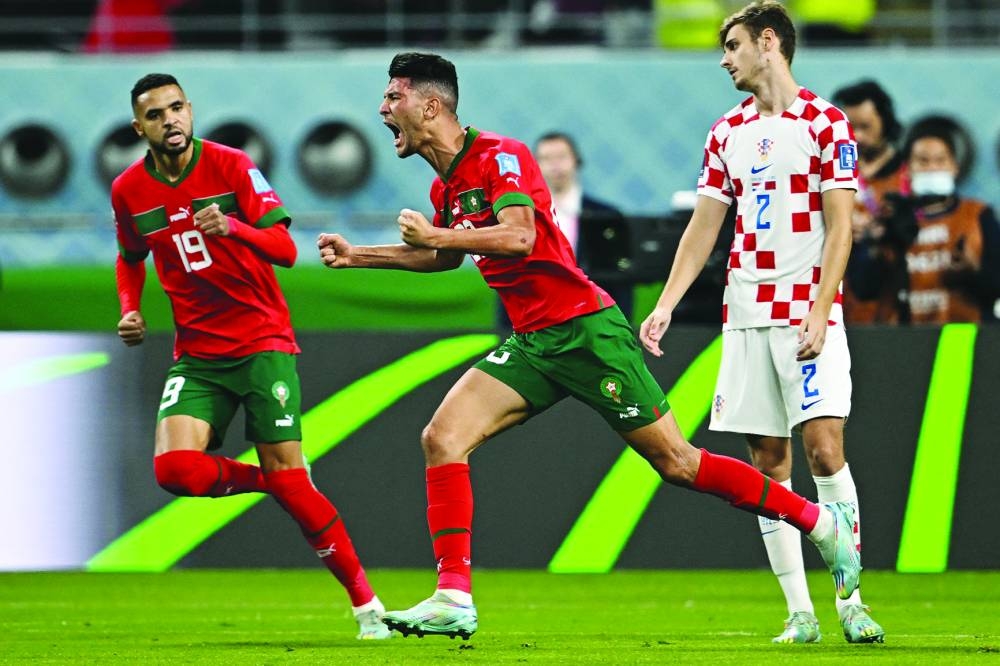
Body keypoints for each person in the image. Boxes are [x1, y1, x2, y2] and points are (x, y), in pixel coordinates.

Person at [317, 51, 861, 641]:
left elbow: (520, 236)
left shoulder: (502, 156)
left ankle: (818, 522)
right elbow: (445, 256)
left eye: (392, 97)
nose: (382, 108)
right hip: (534, 342)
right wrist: (360, 255)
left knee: (677, 463)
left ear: (429, 105)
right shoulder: (446, 184)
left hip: (586, 331)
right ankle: (454, 596)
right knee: (442, 438)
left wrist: (437, 231)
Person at [638, 1, 884, 644]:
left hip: (808, 312)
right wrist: (665, 303)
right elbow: (703, 228)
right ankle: (800, 614)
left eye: (732, 45)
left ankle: (852, 602)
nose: (724, 59)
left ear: (768, 42)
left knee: (824, 448)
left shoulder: (827, 123)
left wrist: (822, 307)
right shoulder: (726, 133)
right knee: (768, 465)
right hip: (745, 315)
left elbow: (841, 227)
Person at [112, 73, 390, 640]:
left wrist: (234, 226)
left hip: (262, 342)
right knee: (175, 471)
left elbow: (286, 250)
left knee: (293, 483)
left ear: (190, 110)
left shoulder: (232, 166)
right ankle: (275, 481)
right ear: (138, 127)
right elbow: (130, 255)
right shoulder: (128, 191)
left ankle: (368, 608)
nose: (170, 121)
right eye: (156, 114)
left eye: (177, 108)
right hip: (197, 352)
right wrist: (130, 309)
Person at [852, 115, 1000, 323]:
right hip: (900, 337)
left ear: (954, 166)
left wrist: (971, 271)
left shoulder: (977, 216)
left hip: (959, 334)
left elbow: (995, 288)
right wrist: (875, 247)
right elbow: (863, 289)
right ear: (908, 169)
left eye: (940, 160)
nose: (932, 167)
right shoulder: (888, 219)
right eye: (923, 161)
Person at [497, 131, 634, 329]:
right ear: (534, 166)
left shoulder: (607, 216)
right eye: (546, 159)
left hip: (595, 326)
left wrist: (620, 330)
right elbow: (508, 280)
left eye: (561, 157)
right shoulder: (521, 216)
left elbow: (622, 281)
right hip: (537, 329)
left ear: (576, 160)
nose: (555, 165)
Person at [831, 79, 908, 324]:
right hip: (838, 300)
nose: (858, 137)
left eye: (866, 127)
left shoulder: (909, 173)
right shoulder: (828, 173)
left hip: (895, 299)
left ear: (885, 122)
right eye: (850, 127)